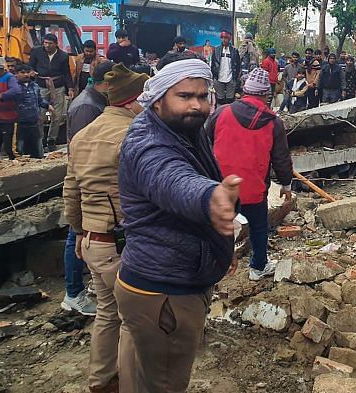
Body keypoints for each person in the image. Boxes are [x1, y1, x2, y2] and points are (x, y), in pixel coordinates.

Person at [115, 55, 239, 392]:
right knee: (165, 386)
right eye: (184, 96)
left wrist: (219, 242)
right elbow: (173, 179)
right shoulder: (149, 144)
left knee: (147, 380)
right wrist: (210, 198)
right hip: (163, 291)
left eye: (203, 96)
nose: (196, 106)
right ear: (157, 101)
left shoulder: (183, 128)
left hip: (165, 279)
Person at [63, 63, 148, 393]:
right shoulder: (132, 135)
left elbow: (70, 192)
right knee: (133, 321)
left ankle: (99, 382)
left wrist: (78, 234)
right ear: (133, 100)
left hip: (93, 242)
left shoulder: (83, 136)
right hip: (122, 244)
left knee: (106, 314)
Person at [208, 68, 293, 281]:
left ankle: (213, 267)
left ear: (244, 90)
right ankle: (258, 266)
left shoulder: (221, 113)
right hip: (253, 189)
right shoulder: (274, 123)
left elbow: (204, 144)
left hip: (220, 187)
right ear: (266, 94)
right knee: (258, 227)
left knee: (215, 227)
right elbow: (281, 158)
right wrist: (286, 185)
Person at [60, 61, 112, 318]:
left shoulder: (96, 101)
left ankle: (85, 285)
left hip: (91, 181)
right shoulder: (87, 107)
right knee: (76, 235)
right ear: (106, 83)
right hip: (87, 183)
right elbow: (84, 152)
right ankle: (73, 294)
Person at [28, 33, 73, 151]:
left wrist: (71, 88)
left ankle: (52, 140)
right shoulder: (36, 52)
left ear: (56, 44)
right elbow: (30, 66)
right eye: (45, 43)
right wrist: (32, 72)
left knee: (57, 115)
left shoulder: (63, 55)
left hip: (58, 86)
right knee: (40, 114)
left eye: (50, 43)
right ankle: (40, 140)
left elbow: (66, 73)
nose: (47, 45)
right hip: (41, 85)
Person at [15, 64, 52, 158]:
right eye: (22, 73)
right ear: (17, 74)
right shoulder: (14, 87)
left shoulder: (35, 86)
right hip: (20, 122)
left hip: (34, 121)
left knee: (37, 147)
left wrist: (48, 105)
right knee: (20, 148)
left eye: (27, 72)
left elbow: (40, 100)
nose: (26, 75)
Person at [0, 54, 20, 160]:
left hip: (6, 118)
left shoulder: (9, 77)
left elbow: (16, 90)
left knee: (8, 148)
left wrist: (1, 95)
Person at [211, 31, 240, 106]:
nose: (224, 40)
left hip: (230, 78)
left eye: (226, 38)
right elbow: (213, 64)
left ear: (229, 39)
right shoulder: (216, 49)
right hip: (219, 78)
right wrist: (214, 76)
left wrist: (235, 78)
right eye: (222, 38)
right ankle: (220, 115)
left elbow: (237, 65)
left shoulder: (234, 51)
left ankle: (229, 115)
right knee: (220, 100)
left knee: (230, 100)